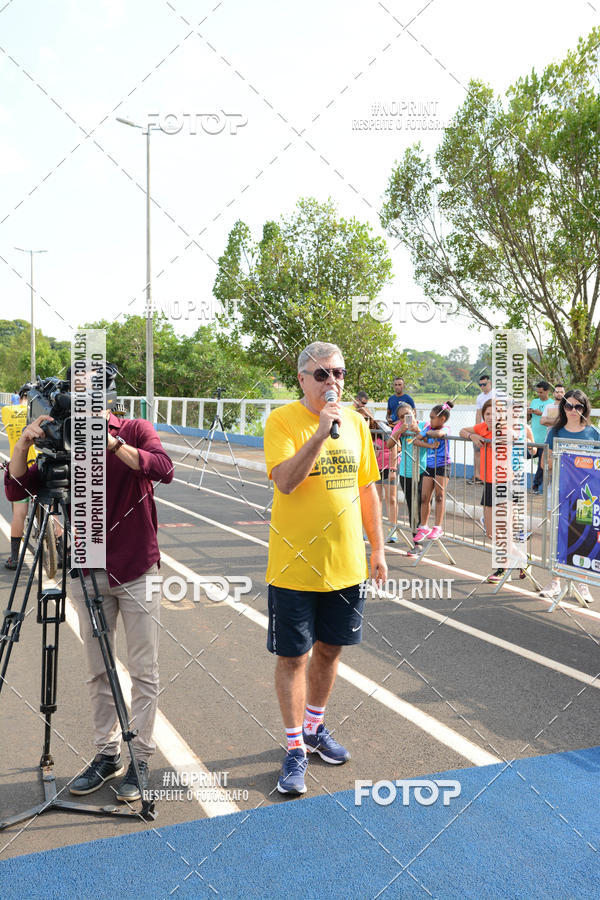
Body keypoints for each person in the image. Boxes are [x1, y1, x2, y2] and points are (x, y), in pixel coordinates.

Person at [4, 371, 174, 801]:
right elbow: (16, 488)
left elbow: (162, 468)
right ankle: (107, 754)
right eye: (73, 389)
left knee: (143, 671)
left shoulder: (133, 428)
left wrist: (111, 442)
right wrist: (23, 444)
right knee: (98, 670)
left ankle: (140, 759)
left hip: (136, 567)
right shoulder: (58, 439)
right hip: (87, 569)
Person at [264, 341, 387, 796]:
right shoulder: (282, 421)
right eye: (321, 374)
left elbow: (369, 489)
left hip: (346, 566)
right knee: (293, 657)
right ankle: (294, 746)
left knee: (331, 651)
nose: (331, 381)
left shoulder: (355, 422)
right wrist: (318, 433)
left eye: (337, 372)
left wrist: (378, 550)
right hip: (294, 567)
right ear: (302, 379)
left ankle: (315, 728)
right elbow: (287, 482)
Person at [460, 399, 535, 582]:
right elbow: (462, 430)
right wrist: (472, 437)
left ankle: (503, 568)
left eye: (495, 414)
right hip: (489, 483)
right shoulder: (482, 428)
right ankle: (522, 558)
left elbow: (512, 436)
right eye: (487, 414)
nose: (491, 418)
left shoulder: (505, 429)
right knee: (491, 532)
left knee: (504, 529)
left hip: (505, 483)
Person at [539, 389, 600, 604]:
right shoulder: (555, 432)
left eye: (578, 406)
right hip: (559, 491)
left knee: (582, 535)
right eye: (568, 406)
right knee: (557, 535)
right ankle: (555, 581)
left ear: (585, 408)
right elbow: (544, 462)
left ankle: (581, 583)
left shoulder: (593, 432)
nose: (573, 410)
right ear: (562, 408)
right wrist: (563, 460)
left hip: (585, 497)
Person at [2, 384, 36, 569]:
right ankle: (62, 552)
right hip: (40, 466)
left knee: (19, 514)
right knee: (50, 509)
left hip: (19, 468)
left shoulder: (8, 410)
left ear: (19, 395)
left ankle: (15, 558)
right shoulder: (39, 414)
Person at [385, 403, 428, 545]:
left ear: (414, 413)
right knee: (412, 506)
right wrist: (398, 432)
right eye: (402, 417)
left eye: (407, 415)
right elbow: (390, 444)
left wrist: (417, 431)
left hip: (423, 471)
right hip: (405, 472)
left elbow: (431, 442)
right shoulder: (399, 428)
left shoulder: (424, 425)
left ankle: (423, 531)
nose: (405, 419)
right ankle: (417, 543)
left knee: (424, 503)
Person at [411, 401, 454, 543]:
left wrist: (428, 433)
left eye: (432, 417)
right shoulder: (429, 427)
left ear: (442, 419)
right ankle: (423, 526)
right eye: (429, 417)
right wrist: (429, 444)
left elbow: (440, 434)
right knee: (424, 497)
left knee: (439, 496)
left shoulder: (446, 428)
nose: (430, 420)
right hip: (429, 466)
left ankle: (438, 527)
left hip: (442, 466)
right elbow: (416, 440)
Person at [528, 381, 554, 493]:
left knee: (541, 465)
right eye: (537, 392)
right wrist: (528, 413)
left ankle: (535, 486)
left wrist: (541, 413)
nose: (539, 394)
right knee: (519, 454)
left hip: (545, 440)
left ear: (547, 391)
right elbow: (528, 418)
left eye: (541, 392)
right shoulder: (534, 401)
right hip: (532, 439)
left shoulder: (552, 404)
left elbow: (553, 421)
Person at [468, 374, 495, 484]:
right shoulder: (479, 397)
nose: (482, 387)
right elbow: (478, 414)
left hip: (494, 429)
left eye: (484, 384)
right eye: (480, 385)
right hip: (483, 428)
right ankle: (477, 475)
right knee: (477, 451)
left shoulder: (497, 394)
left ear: (490, 383)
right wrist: (476, 430)